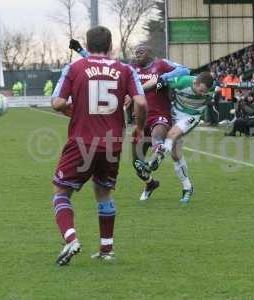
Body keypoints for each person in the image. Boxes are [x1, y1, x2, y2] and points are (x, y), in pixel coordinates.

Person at [50, 26, 147, 266]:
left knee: (61, 193)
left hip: (82, 141)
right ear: (110, 45)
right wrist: (140, 127)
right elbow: (142, 103)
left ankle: (71, 238)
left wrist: (71, 111)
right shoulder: (125, 70)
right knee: (103, 192)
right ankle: (107, 249)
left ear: (87, 44)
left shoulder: (74, 68)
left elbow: (57, 102)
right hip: (112, 143)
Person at [68, 40, 190, 201]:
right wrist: (81, 51)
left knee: (157, 134)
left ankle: (157, 155)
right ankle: (150, 183)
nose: (137, 54)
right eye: (136, 52)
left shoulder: (161, 64)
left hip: (160, 115)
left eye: (141, 52)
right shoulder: (130, 69)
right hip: (140, 120)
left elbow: (185, 70)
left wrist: (164, 78)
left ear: (150, 53)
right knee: (137, 163)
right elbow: (104, 65)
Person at [136, 72, 215, 203]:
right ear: (195, 83)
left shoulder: (213, 87)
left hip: (192, 116)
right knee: (175, 155)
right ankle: (188, 187)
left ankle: (154, 161)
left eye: (205, 92)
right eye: (200, 90)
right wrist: (139, 90)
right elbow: (158, 80)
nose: (202, 94)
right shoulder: (181, 82)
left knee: (171, 135)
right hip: (174, 113)